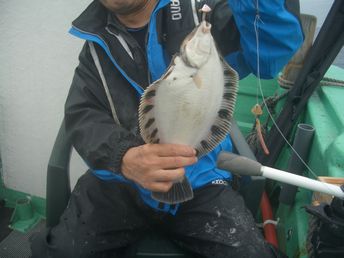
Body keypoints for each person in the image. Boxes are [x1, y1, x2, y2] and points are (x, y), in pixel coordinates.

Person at [31, 0, 303, 257]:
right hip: (117, 183)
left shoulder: (202, 15)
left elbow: (269, 55)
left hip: (201, 179)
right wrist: (124, 157)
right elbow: (82, 115)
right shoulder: (94, 47)